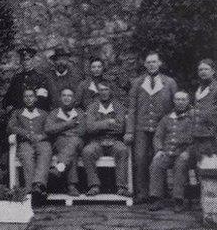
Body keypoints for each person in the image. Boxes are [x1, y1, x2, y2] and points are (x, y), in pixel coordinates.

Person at [126, 52, 178, 204]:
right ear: (145, 65)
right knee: (140, 158)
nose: (151, 65)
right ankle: (142, 193)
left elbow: (176, 106)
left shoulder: (169, 82)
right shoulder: (137, 82)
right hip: (141, 127)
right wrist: (130, 130)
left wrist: (172, 126)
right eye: (148, 62)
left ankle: (159, 194)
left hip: (161, 128)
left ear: (159, 63)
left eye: (154, 62)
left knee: (159, 158)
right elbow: (132, 108)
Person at [82, 83, 131, 196]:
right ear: (98, 92)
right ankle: (94, 186)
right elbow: (89, 128)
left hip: (114, 140)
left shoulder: (118, 106)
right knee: (87, 151)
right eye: (101, 90)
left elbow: (120, 128)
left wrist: (98, 126)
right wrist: (109, 122)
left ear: (110, 91)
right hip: (96, 141)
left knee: (122, 150)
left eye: (106, 89)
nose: (104, 92)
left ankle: (121, 187)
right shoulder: (92, 107)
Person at [148, 91, 194, 212]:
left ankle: (179, 200)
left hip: (185, 153)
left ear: (188, 101)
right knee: (156, 163)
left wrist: (188, 152)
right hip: (168, 152)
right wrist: (159, 150)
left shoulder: (193, 118)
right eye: (178, 99)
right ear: (174, 101)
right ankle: (156, 198)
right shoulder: (166, 118)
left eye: (183, 99)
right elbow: (158, 136)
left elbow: (197, 140)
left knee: (180, 165)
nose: (180, 102)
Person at [8, 89, 52, 196]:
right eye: (26, 97)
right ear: (23, 99)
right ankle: (31, 189)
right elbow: (11, 127)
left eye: (31, 96)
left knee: (46, 151)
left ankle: (38, 184)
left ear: (36, 98)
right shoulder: (17, 113)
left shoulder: (43, 114)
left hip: (41, 141)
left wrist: (42, 136)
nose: (28, 99)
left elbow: (50, 129)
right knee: (27, 155)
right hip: (25, 142)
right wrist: (26, 134)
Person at [45, 88, 85, 196]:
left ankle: (59, 168)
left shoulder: (79, 113)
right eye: (64, 95)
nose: (66, 98)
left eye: (69, 96)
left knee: (73, 141)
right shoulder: (54, 113)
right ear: (60, 98)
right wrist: (67, 124)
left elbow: (82, 131)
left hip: (77, 141)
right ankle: (72, 186)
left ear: (74, 99)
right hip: (60, 142)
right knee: (71, 151)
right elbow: (48, 129)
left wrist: (61, 131)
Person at [4, 47, 51, 112]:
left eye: (28, 59)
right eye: (23, 60)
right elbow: (8, 98)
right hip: (18, 114)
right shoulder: (16, 78)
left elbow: (44, 100)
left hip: (35, 114)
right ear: (20, 61)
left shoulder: (41, 78)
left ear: (33, 60)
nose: (25, 62)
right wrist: (9, 106)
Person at [191, 59, 217, 158]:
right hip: (198, 133)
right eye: (200, 70)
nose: (203, 72)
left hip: (212, 135)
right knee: (200, 164)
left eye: (206, 69)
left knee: (211, 165)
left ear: (213, 71)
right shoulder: (199, 88)